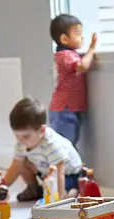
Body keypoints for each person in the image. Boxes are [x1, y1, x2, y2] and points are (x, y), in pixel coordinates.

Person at [3, 96, 83, 201]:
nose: (20, 140)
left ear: (42, 129)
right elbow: (15, 166)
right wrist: (2, 187)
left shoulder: (51, 144)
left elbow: (59, 172)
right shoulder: (21, 143)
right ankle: (34, 189)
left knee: (66, 195)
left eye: (26, 136)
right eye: (17, 135)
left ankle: (76, 191)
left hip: (69, 175)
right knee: (21, 162)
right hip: (46, 171)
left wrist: (58, 198)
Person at [48, 13, 97, 148]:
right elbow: (82, 66)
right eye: (78, 34)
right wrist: (91, 49)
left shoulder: (69, 54)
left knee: (69, 144)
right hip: (64, 110)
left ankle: (67, 168)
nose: (82, 37)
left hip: (67, 109)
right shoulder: (65, 56)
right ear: (64, 39)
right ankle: (65, 169)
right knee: (66, 145)